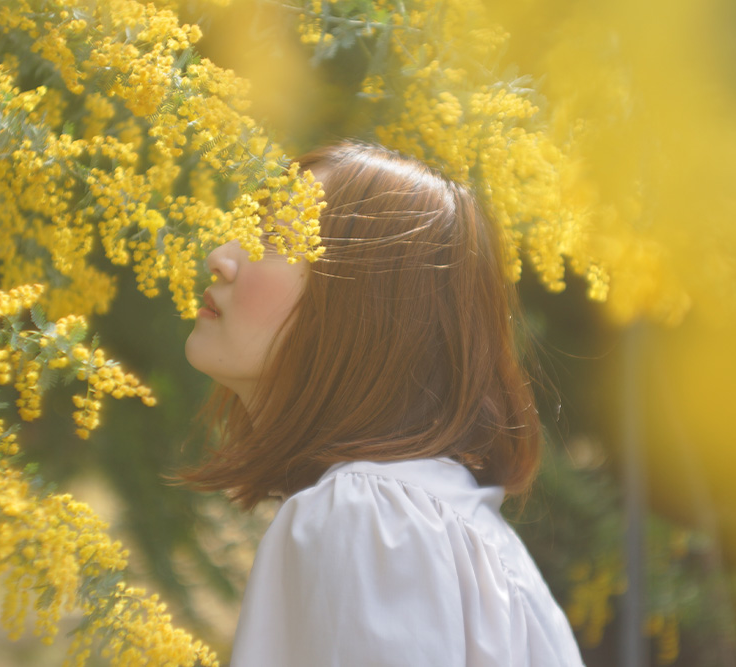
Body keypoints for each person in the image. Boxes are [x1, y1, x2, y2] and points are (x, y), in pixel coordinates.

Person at [184, 142, 585, 666]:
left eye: (275, 239)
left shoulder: (369, 518)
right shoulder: (433, 521)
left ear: (366, 306)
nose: (220, 256)